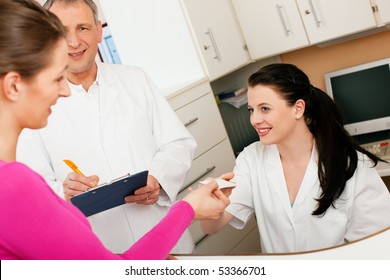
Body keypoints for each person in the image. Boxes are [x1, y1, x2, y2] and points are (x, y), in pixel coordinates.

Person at [0, 0, 231, 260]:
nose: (74, 42)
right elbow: (34, 190)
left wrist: (159, 178)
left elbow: (178, 143)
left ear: (99, 31)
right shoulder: (34, 110)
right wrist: (63, 191)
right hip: (102, 245)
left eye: (83, 28)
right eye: (63, 31)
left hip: (162, 234)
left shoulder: (135, 79)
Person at [201, 63, 390, 253]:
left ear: (298, 108)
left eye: (264, 109)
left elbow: (377, 246)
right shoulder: (251, 159)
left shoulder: (352, 165)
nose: (254, 120)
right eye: (251, 110)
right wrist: (211, 208)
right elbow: (212, 227)